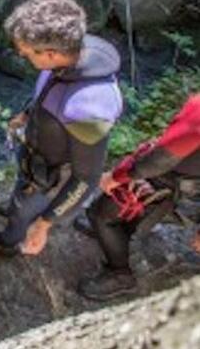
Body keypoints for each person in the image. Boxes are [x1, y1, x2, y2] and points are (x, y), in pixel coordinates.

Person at [0, 0, 123, 258]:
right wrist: (27, 114)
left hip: (49, 174)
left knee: (24, 210)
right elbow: (49, 92)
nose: (20, 54)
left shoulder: (89, 108)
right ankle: (18, 206)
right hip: (37, 150)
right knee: (20, 198)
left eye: (26, 52)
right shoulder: (69, 57)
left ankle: (7, 242)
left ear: (50, 54)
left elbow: (86, 179)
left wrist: (44, 224)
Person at [78, 94, 200, 301]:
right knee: (116, 213)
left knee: (101, 215)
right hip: (183, 188)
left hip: (171, 186)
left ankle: (121, 274)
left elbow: (160, 160)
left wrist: (117, 177)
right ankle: (117, 234)